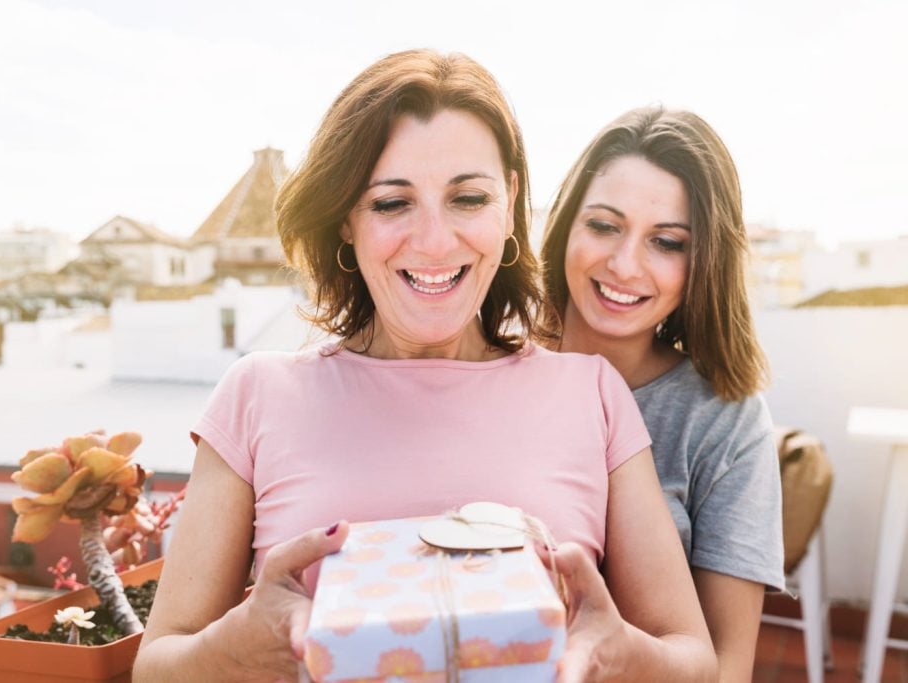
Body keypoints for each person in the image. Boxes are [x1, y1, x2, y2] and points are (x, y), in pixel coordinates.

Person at [134, 52, 716, 682]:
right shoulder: (256, 393)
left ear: (510, 200)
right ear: (346, 221)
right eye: (391, 204)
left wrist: (625, 654)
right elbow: (157, 665)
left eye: (468, 198)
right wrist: (229, 651)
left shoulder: (592, 393)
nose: (436, 241)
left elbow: (692, 658)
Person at [538, 106, 785, 681]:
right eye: (603, 226)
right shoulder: (484, 359)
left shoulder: (725, 420)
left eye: (667, 242)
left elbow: (726, 671)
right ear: (567, 224)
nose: (625, 265)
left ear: (705, 263)